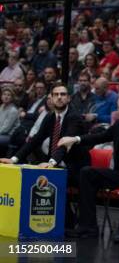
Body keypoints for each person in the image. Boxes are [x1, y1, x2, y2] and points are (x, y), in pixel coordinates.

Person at [59, 95, 119, 242]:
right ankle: (88, 227)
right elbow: (99, 137)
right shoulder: (118, 126)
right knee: (87, 172)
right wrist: (76, 139)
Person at [0, 83, 91, 228]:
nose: (59, 98)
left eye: (63, 95)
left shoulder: (74, 117)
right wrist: (13, 159)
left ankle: (68, 223)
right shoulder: (50, 117)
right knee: (40, 176)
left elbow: (64, 143)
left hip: (76, 166)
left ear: (68, 98)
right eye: (56, 95)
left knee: (53, 180)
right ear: (51, 98)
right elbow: (35, 140)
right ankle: (50, 222)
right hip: (57, 164)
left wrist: (52, 162)